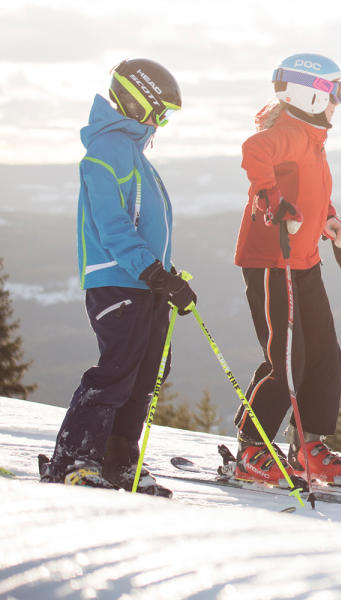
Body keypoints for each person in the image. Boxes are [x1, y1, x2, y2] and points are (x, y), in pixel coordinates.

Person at [40, 58, 194, 496]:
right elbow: (112, 224)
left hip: (143, 281)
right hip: (117, 279)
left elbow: (147, 227)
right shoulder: (107, 149)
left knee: (147, 374)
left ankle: (118, 460)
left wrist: (167, 278)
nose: (162, 121)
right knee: (118, 369)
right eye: (159, 111)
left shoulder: (135, 154)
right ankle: (73, 458)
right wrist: (150, 269)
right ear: (136, 99)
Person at [231, 53, 341, 487]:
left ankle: (308, 444)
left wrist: (329, 219)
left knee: (325, 353)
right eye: (335, 92)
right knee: (288, 358)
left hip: (304, 261)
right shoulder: (287, 132)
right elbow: (253, 152)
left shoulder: (311, 137)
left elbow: (308, 189)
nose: (339, 101)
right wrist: (267, 196)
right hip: (271, 262)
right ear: (309, 94)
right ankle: (251, 447)